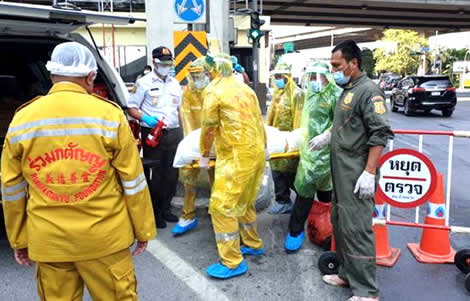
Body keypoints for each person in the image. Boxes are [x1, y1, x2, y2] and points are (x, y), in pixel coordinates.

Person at [1, 42, 156, 300]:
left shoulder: (22, 120)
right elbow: (133, 181)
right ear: (90, 77)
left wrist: (19, 239)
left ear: (51, 76)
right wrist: (144, 231)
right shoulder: (109, 115)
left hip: (49, 241)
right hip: (105, 240)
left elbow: (12, 189)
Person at [310, 40, 394, 301]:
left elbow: (380, 133)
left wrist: (369, 172)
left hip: (357, 173)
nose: (333, 70)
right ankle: (347, 274)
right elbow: (346, 124)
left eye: (336, 65)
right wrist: (328, 135)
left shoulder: (369, 91)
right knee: (341, 225)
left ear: (353, 63)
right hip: (342, 174)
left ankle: (367, 291)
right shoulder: (349, 90)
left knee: (357, 230)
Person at [199, 53, 266, 279]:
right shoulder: (246, 89)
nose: (206, 76)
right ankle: (253, 243)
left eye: (207, 72)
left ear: (213, 71)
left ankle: (232, 261)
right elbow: (259, 121)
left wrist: (204, 153)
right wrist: (264, 147)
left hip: (235, 157)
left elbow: (208, 126)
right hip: (254, 153)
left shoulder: (214, 91)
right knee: (245, 202)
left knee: (222, 207)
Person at [284, 61, 342, 252]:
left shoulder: (336, 95)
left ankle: (329, 231)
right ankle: (295, 231)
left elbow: (343, 122)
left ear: (328, 77)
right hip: (309, 154)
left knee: (327, 197)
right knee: (304, 194)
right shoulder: (310, 95)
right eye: (311, 77)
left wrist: (327, 136)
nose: (314, 81)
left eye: (318, 76)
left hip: (327, 154)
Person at [128, 46, 183, 229]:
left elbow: (179, 110)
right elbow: (132, 108)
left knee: (172, 174)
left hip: (174, 132)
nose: (166, 66)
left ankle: (167, 208)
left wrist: (184, 131)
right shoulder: (143, 83)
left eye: (169, 63)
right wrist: (145, 118)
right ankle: (156, 212)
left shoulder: (175, 83)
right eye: (162, 63)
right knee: (157, 175)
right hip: (153, 134)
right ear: (154, 63)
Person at [172, 58, 214, 236]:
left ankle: (217, 213)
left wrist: (208, 148)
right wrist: (192, 147)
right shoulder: (187, 93)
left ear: (207, 74)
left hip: (213, 142)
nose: (197, 79)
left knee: (216, 179)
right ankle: (188, 215)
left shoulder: (213, 92)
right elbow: (187, 120)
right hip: (193, 142)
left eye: (200, 75)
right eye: (193, 76)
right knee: (188, 178)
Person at [266, 61, 304, 214]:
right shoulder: (277, 94)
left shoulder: (297, 94)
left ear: (288, 77)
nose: (277, 79)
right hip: (276, 140)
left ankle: (303, 200)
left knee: (291, 172)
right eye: (276, 76)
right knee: (276, 169)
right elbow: (270, 116)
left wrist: (296, 141)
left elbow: (299, 118)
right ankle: (283, 200)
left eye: (280, 76)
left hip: (289, 141)